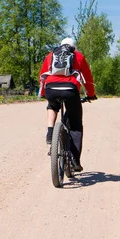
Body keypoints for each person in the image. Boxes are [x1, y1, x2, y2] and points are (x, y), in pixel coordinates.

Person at [39, 37, 96, 172]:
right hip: (70, 90)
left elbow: (42, 74)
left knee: (52, 106)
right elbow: (87, 77)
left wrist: (43, 93)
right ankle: (75, 161)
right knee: (75, 125)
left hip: (51, 88)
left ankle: (50, 131)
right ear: (73, 47)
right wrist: (91, 94)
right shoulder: (78, 56)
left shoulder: (51, 55)